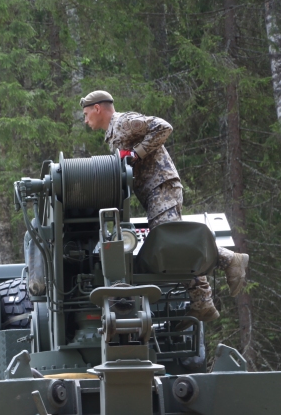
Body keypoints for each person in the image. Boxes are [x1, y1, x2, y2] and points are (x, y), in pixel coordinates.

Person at [80, 90, 248, 322]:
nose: (86, 120)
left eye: (87, 114)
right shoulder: (113, 132)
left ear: (98, 109)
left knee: (173, 240)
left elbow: (164, 127)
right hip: (153, 191)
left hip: (161, 185)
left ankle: (230, 260)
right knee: (173, 245)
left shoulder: (123, 122)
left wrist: (137, 154)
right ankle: (202, 302)